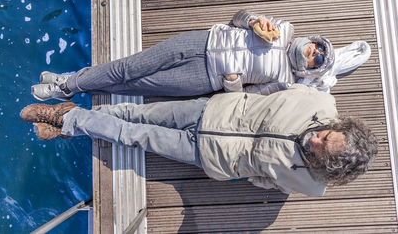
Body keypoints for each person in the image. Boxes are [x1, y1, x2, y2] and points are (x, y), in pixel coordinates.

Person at [21, 84, 378, 196]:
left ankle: (66, 118)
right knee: (136, 115)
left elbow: (270, 182)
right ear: (339, 125)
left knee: (134, 135)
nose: (315, 140)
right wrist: (239, 93)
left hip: (209, 155)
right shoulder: (319, 101)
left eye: (321, 152)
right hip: (210, 111)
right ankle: (72, 122)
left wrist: (245, 170)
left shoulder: (313, 185)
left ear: (330, 170)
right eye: (326, 135)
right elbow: (276, 87)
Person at [31, 10, 337, 101]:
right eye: (318, 46)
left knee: (134, 85)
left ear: (313, 69)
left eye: (319, 59)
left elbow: (245, 98)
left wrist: (232, 83)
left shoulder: (285, 80)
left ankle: (70, 82)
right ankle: (67, 87)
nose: (315, 52)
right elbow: (238, 16)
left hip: (203, 78)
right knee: (129, 68)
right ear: (312, 40)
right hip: (200, 42)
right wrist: (254, 21)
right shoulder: (283, 29)